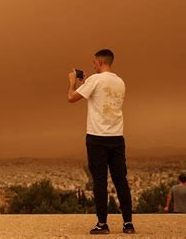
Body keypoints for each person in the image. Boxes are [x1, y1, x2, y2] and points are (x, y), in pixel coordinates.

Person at [67, 49, 135, 234]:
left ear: (99, 62)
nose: (93, 65)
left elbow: (71, 98)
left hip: (97, 137)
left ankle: (102, 224)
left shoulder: (95, 80)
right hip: (117, 136)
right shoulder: (120, 82)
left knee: (99, 181)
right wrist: (87, 82)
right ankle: (128, 223)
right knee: (121, 180)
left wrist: (73, 82)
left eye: (94, 62)